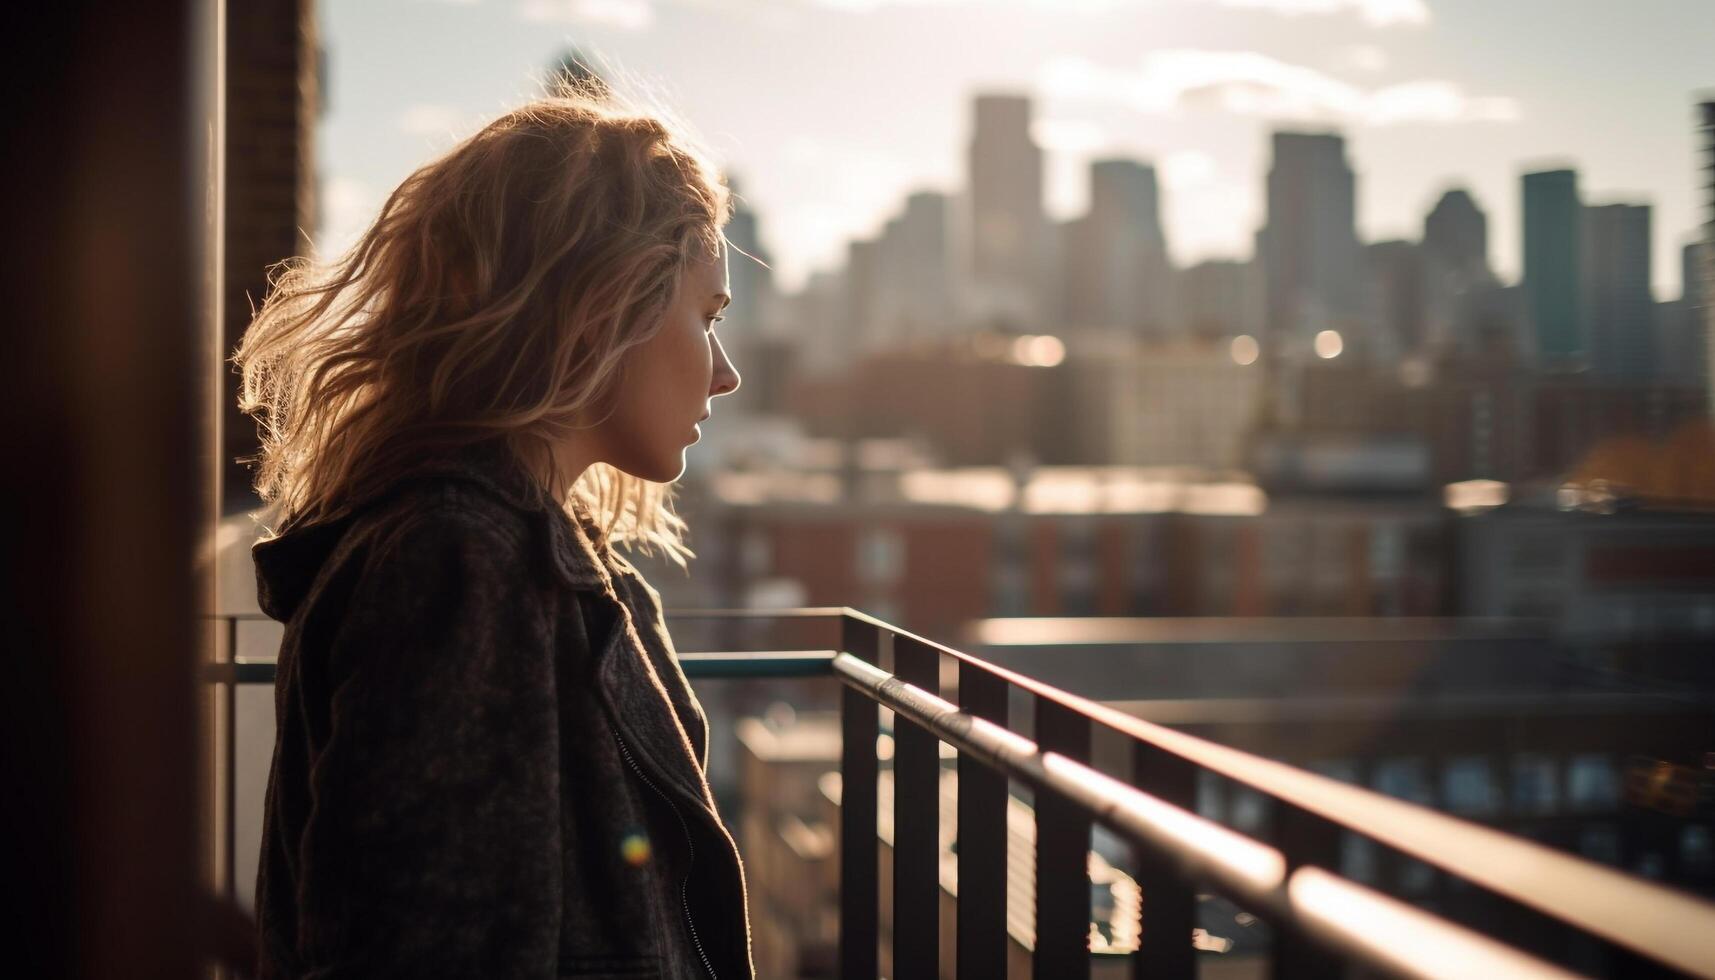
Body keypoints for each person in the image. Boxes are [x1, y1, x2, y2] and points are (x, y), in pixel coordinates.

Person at [233, 81, 751, 979]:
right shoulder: (460, 559)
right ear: (602, 301)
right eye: (706, 317)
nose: (726, 374)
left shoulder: (526, 544)